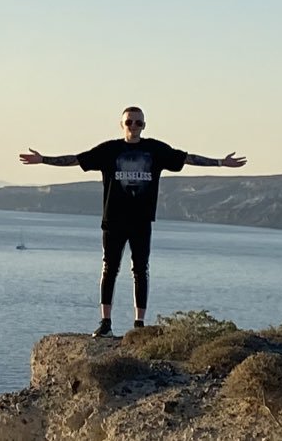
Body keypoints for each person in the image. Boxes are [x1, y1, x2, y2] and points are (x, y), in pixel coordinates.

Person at [18, 106, 246, 337]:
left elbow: (187, 159)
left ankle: (139, 323)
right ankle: (105, 322)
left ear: (144, 126)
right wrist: (43, 159)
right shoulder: (109, 150)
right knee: (109, 269)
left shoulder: (155, 149)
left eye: (138, 122)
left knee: (140, 270)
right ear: (122, 124)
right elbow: (77, 159)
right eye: (129, 122)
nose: (134, 126)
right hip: (113, 219)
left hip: (141, 220)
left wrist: (221, 162)